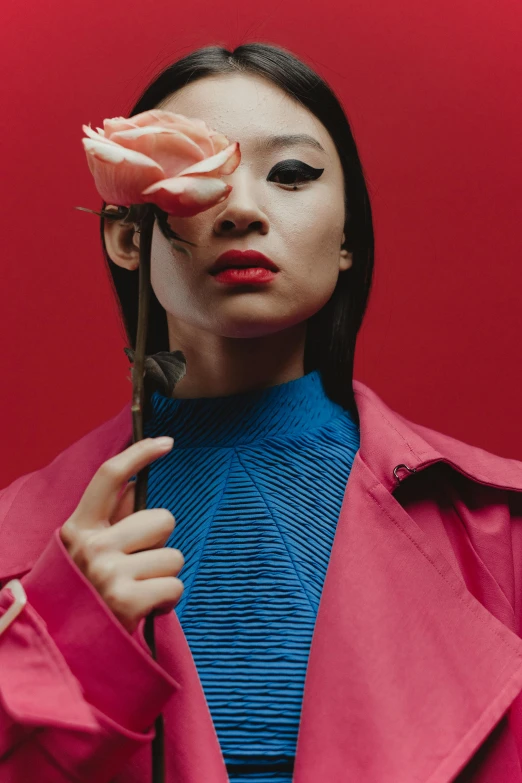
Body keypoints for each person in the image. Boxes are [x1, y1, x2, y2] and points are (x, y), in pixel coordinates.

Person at [1, 42, 522, 783]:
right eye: (194, 178)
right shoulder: (18, 546)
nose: (242, 208)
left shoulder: (499, 532)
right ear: (126, 237)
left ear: (347, 238)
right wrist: (60, 642)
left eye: (291, 174)